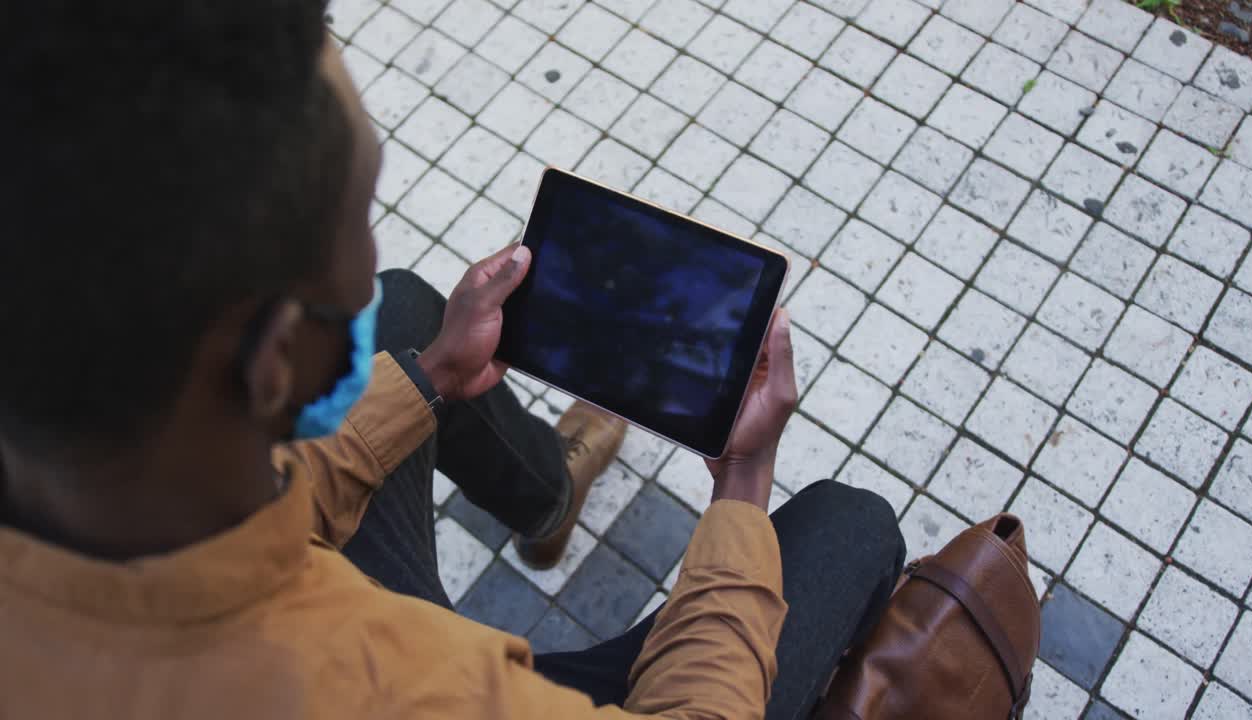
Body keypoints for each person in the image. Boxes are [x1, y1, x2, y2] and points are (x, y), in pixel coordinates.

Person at [0, 3, 906, 719]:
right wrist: (743, 476)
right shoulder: (399, 690)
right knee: (854, 528)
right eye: (352, 221)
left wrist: (432, 373)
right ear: (274, 360)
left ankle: (546, 496)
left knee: (406, 312)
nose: (364, 251)